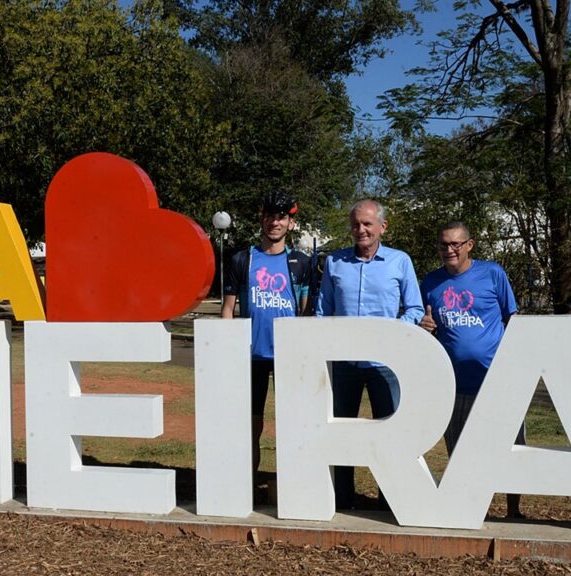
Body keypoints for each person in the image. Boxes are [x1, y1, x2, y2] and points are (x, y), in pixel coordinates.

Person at [315, 199, 424, 510]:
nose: (360, 230)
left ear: (382, 227)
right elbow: (324, 311)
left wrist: (392, 336)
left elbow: (414, 308)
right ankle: (342, 499)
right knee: (341, 432)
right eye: (355, 224)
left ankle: (391, 499)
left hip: (386, 365)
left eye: (367, 224)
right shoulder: (335, 262)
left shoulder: (400, 261)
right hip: (344, 364)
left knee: (390, 430)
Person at [419, 221, 525, 518]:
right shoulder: (430, 282)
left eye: (455, 244)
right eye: (443, 245)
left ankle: (513, 510)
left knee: (511, 447)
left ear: (470, 244)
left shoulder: (493, 274)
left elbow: (512, 318)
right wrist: (425, 327)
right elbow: (425, 325)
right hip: (452, 381)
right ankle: (465, 505)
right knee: (459, 448)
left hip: (496, 379)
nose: (449, 250)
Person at [222, 191, 312, 483]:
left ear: (291, 222)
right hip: (252, 355)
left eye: (281, 217)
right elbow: (227, 311)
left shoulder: (301, 262)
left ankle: (293, 485)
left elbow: (305, 312)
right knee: (251, 425)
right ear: (261, 219)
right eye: (270, 216)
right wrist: (228, 352)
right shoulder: (242, 259)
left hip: (288, 356)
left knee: (293, 424)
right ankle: (246, 485)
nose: (275, 222)